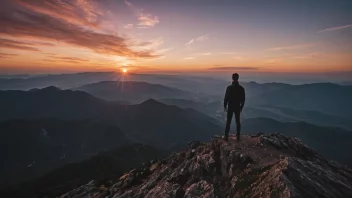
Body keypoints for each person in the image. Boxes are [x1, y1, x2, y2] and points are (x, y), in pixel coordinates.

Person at [223, 73, 245, 141]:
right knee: (237, 121)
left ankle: (226, 135)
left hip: (230, 105)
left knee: (228, 121)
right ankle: (238, 135)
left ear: (232, 78)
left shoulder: (229, 88)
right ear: (238, 78)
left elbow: (226, 98)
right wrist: (241, 107)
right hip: (237, 106)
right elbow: (243, 99)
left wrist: (225, 106)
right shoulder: (241, 88)